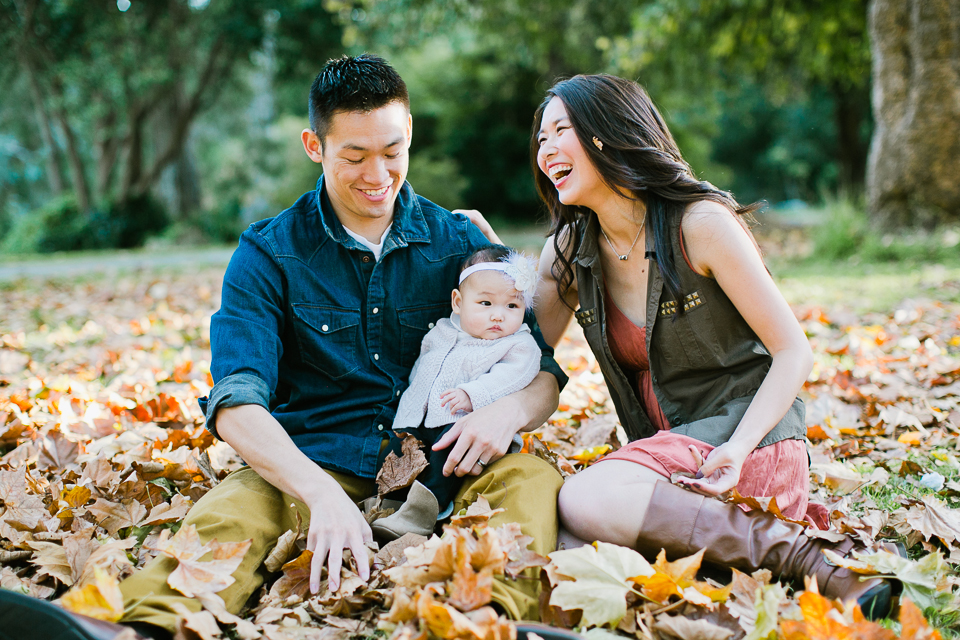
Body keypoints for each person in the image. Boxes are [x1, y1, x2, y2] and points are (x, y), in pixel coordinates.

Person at [15, 55, 567, 640]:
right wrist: (316, 492)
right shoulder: (269, 252)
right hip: (315, 457)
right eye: (354, 157)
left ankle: (496, 624)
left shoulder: (460, 242)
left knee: (531, 480)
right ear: (314, 145)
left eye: (392, 152)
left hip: (446, 459)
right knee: (236, 510)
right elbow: (236, 401)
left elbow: (541, 372)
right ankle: (137, 628)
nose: (377, 175)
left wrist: (506, 412)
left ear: (410, 137)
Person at [529, 74, 895, 618]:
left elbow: (794, 352)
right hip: (669, 461)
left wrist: (739, 448)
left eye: (561, 130)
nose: (546, 150)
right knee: (568, 543)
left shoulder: (698, 225)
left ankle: (817, 562)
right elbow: (524, 359)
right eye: (540, 139)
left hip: (752, 440)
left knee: (584, 499)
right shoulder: (568, 252)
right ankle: (717, 607)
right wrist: (480, 261)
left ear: (607, 132)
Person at [373, 245, 542, 540]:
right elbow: (421, 368)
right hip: (418, 416)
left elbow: (512, 376)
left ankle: (421, 515)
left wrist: (472, 393)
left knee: (443, 460)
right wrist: (412, 402)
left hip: (465, 424)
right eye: (486, 304)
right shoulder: (440, 331)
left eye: (512, 306)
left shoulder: (518, 344)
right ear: (458, 302)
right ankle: (390, 503)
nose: (498, 316)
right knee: (398, 451)